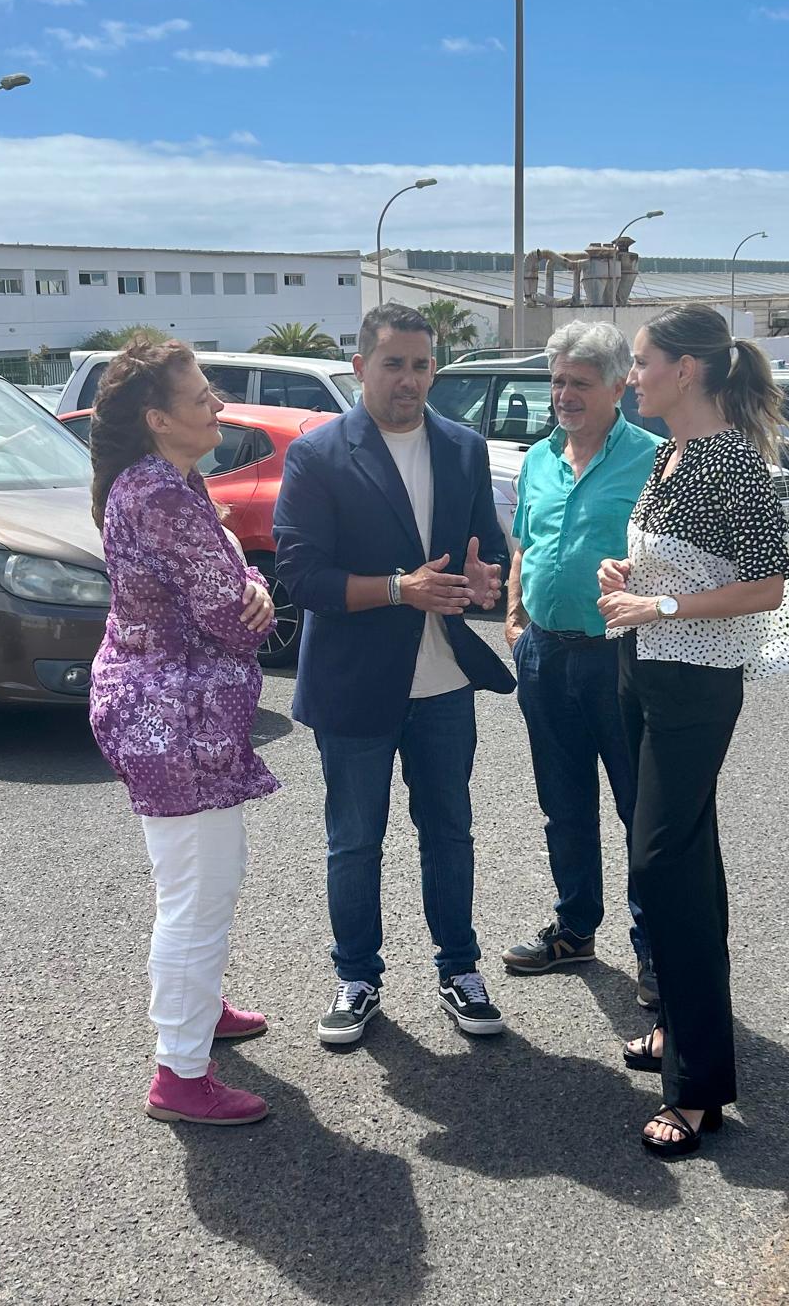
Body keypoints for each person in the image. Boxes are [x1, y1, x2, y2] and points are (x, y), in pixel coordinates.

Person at [597, 304, 789, 1159]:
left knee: (663, 865)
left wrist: (660, 601)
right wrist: (631, 574)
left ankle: (697, 1092)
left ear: (686, 370)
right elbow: (676, 565)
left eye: (643, 362)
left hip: (694, 683)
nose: (634, 376)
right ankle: (684, 1034)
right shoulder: (669, 453)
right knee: (680, 860)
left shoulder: (734, 464)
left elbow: (766, 585)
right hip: (642, 668)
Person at [274, 303, 515, 1046]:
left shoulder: (463, 448)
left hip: (443, 684)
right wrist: (397, 588)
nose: (409, 380)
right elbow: (300, 575)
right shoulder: (318, 455)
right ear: (359, 369)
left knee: (450, 832)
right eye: (393, 364)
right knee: (355, 840)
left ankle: (459, 969)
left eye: (420, 365)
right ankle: (357, 977)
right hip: (354, 685)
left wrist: (486, 581)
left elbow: (492, 555)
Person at [87, 339, 280, 1128]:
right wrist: (254, 592)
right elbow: (227, 615)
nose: (218, 405)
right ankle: (181, 1071)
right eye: (202, 396)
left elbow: (235, 585)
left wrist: (253, 583)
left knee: (199, 880)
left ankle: (198, 1010)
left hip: (171, 715)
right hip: (174, 720)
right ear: (159, 419)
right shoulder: (161, 496)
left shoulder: (168, 482)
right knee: (198, 894)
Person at [500, 322, 663, 1008]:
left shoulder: (657, 459)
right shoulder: (539, 458)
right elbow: (525, 545)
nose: (564, 394)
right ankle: (575, 928)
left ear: (620, 386)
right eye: (557, 380)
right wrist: (515, 618)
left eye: (579, 383)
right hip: (543, 652)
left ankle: (656, 952)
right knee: (562, 803)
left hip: (621, 659)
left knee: (639, 808)